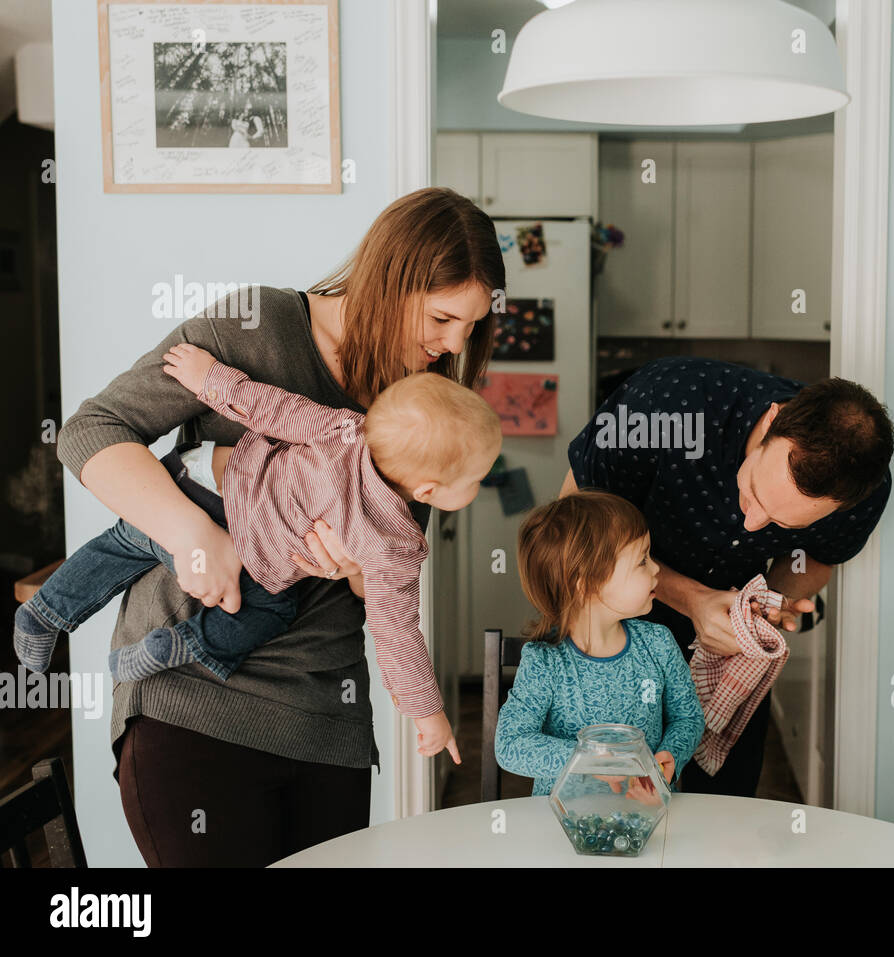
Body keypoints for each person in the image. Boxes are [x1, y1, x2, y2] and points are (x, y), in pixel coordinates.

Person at [55, 187, 504, 866]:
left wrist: (355, 569)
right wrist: (194, 535)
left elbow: (385, 578)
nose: (452, 346)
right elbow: (91, 431)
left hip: (328, 719)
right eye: (443, 318)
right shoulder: (259, 325)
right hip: (193, 703)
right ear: (391, 279)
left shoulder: (425, 403)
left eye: (470, 328)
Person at [17, 343, 501, 761]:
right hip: (237, 537)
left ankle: (43, 614)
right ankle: (183, 644)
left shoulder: (346, 430)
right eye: (476, 479)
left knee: (124, 542)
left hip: (202, 478)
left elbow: (270, 406)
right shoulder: (394, 545)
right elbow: (398, 637)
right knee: (272, 607)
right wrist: (429, 714)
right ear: (429, 488)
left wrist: (208, 378)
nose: (479, 485)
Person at [561, 357, 894, 797]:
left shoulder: (862, 493)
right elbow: (570, 523)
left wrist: (765, 606)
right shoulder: (665, 406)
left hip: (729, 652)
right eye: (754, 490)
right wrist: (694, 600)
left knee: (724, 804)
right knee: (605, 793)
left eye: (783, 523)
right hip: (611, 628)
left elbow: (817, 558)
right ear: (773, 419)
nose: (754, 522)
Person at [495, 491, 705, 797]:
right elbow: (510, 744)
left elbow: (687, 717)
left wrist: (670, 757)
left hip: (645, 815)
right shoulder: (545, 661)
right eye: (642, 560)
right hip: (561, 825)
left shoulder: (659, 643)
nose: (657, 568)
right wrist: (590, 760)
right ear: (587, 583)